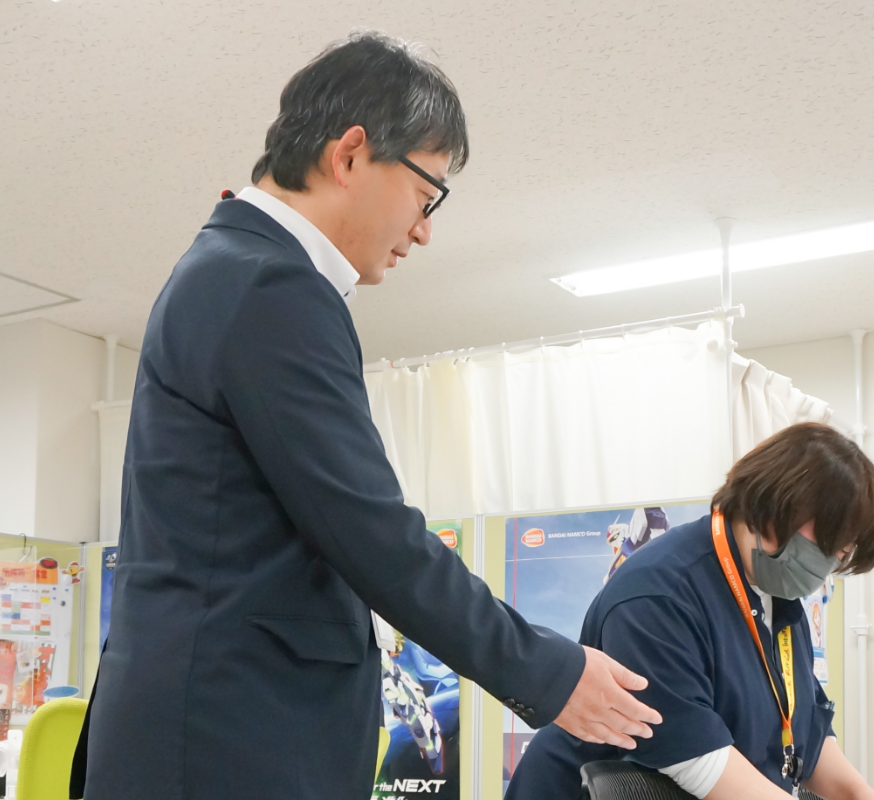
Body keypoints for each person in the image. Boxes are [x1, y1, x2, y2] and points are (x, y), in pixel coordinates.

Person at [69, 31, 660, 800]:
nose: (425, 229)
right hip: (226, 740)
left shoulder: (232, 272)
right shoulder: (269, 287)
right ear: (350, 154)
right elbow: (371, 532)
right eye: (427, 193)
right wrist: (549, 671)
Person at [506, 423, 874, 800]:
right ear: (780, 507)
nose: (834, 559)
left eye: (844, 552)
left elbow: (807, 732)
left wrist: (859, 794)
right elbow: (700, 762)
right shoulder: (658, 593)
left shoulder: (779, 598)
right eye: (832, 544)